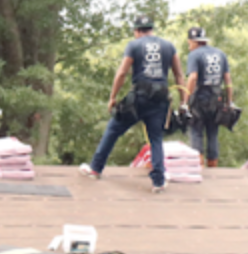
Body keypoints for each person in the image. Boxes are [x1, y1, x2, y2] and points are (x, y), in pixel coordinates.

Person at [80, 16, 186, 193]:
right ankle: (158, 181)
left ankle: (95, 169)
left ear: (137, 31)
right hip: (160, 98)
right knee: (156, 139)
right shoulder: (168, 46)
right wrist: (183, 101)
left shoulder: (134, 45)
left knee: (113, 129)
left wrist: (112, 97)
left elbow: (122, 73)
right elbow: (179, 75)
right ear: (151, 29)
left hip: (139, 97)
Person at [184, 26, 233, 168]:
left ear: (194, 41)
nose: (189, 47)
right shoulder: (220, 54)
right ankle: (213, 168)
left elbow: (193, 77)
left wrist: (185, 101)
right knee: (213, 133)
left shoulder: (195, 55)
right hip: (217, 99)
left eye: (189, 43)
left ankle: (198, 168)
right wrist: (229, 102)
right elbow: (228, 81)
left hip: (199, 98)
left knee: (196, 131)